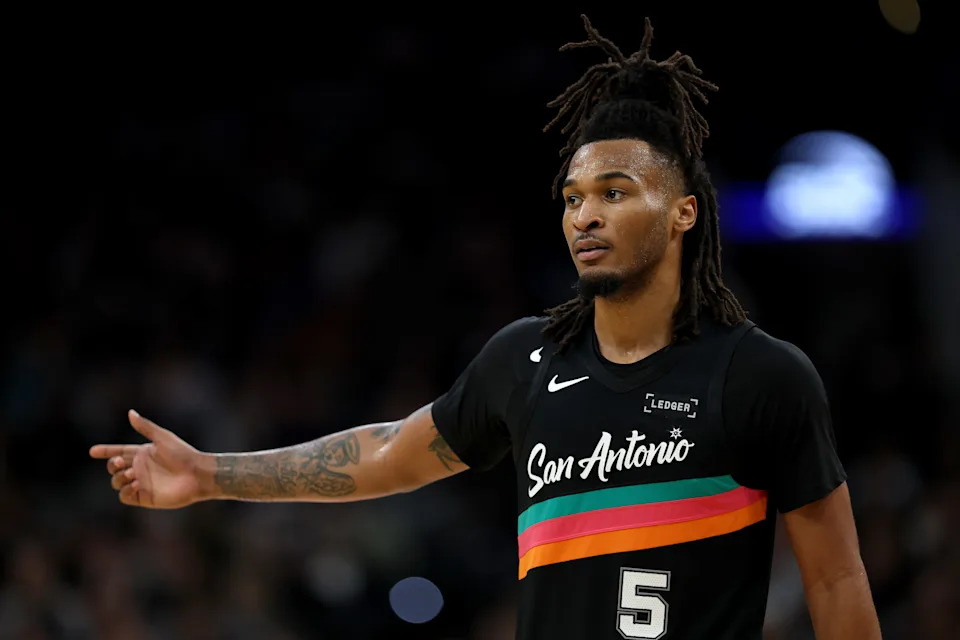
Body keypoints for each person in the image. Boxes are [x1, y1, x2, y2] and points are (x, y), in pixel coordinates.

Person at [89, 15, 882, 639]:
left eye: (614, 191)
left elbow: (837, 583)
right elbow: (390, 452)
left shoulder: (764, 376)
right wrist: (211, 475)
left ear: (683, 213)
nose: (585, 216)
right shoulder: (527, 358)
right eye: (573, 198)